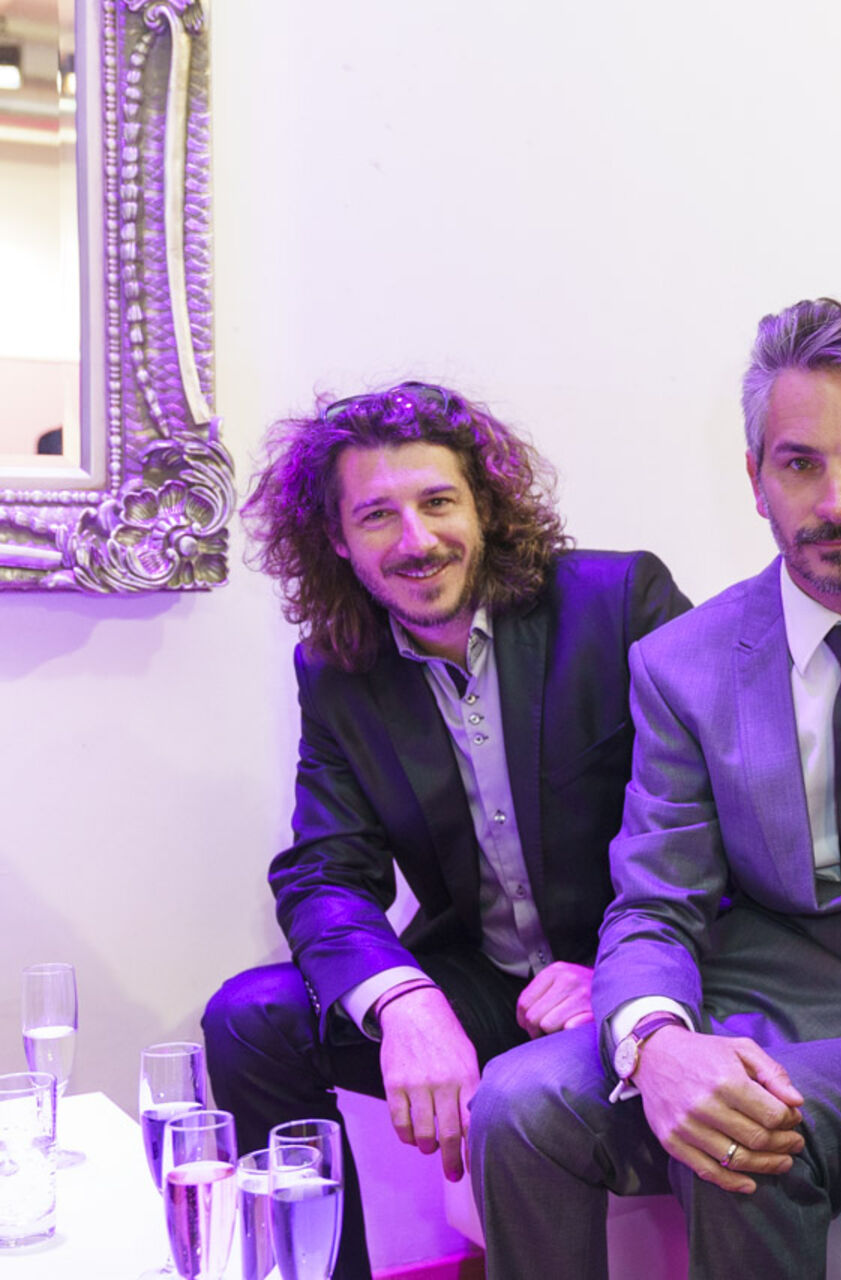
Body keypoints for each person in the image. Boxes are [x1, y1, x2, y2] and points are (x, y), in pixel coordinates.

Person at [468, 299, 841, 1280]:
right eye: (799, 463)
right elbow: (655, 903)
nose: (836, 501)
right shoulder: (683, 666)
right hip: (769, 1006)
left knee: (751, 1125)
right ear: (755, 480)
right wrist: (657, 1043)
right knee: (516, 1105)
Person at [202, 381, 689, 1280]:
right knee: (250, 1021)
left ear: (484, 507)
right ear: (336, 538)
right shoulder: (337, 670)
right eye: (376, 515)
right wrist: (404, 1000)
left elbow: (726, 815)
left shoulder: (619, 602)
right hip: (488, 981)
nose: (417, 540)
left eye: (437, 502)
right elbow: (323, 872)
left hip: (630, 976)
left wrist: (626, 973)